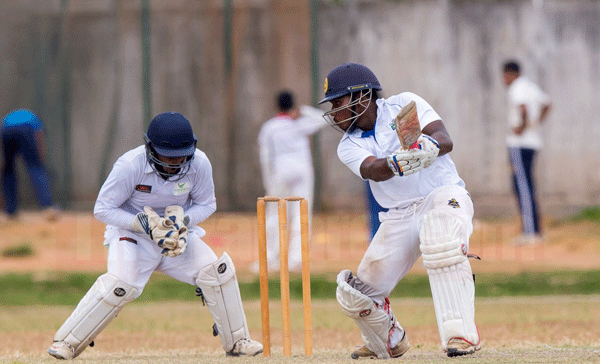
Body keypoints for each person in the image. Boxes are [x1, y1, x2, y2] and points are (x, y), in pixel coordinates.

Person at [47, 112, 262, 360]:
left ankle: (237, 341)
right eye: (168, 157)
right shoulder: (130, 165)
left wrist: (183, 222)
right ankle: (67, 343)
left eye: (181, 155)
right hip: (133, 236)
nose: (175, 163)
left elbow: (207, 203)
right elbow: (103, 209)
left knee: (218, 270)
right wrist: (141, 224)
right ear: (150, 148)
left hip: (176, 238)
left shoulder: (199, 163)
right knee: (121, 283)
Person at [319, 63, 480, 359]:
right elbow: (371, 170)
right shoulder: (348, 145)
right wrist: (397, 162)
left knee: (441, 238)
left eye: (338, 102)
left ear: (362, 96)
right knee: (357, 294)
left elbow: (445, 139)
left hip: (442, 195)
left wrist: (426, 148)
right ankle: (389, 339)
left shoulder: (404, 106)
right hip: (399, 214)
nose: (334, 111)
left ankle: (462, 336)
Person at [254, 90, 326, 273]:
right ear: (292, 105)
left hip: (280, 173)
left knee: (274, 214)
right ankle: (296, 260)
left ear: (276, 105)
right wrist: (302, 110)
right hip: (302, 172)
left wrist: (268, 182)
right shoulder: (299, 124)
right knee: (301, 215)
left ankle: (272, 259)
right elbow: (325, 118)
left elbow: (265, 157)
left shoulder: (269, 127)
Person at [502, 60, 551, 246]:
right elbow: (547, 104)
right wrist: (535, 124)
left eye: (505, 76)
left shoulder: (517, 87)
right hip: (533, 142)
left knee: (521, 186)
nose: (504, 80)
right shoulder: (530, 86)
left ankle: (530, 232)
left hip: (519, 144)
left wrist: (522, 127)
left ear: (509, 74)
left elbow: (522, 108)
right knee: (527, 185)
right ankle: (534, 230)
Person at [1, 109, 58, 221]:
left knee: (8, 170)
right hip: (26, 129)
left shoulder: (8, 118)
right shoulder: (34, 120)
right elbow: (39, 137)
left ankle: (11, 211)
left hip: (5, 129)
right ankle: (47, 207)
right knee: (35, 167)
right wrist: (41, 155)